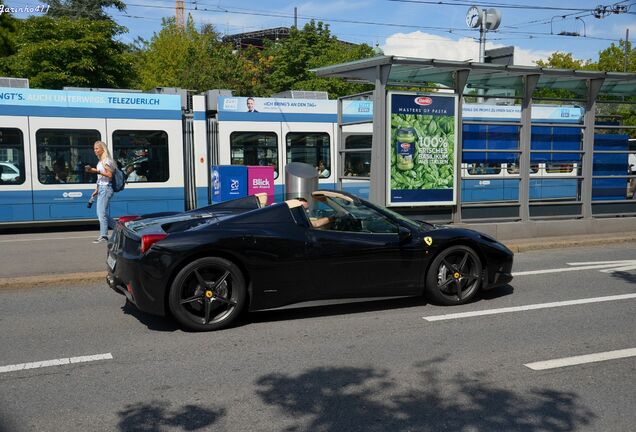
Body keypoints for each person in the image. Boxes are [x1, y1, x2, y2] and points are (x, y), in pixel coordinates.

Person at [85, 141, 115, 243]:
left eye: (97, 148)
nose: (95, 151)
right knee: (102, 213)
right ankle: (120, 230)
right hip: (102, 188)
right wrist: (96, 190)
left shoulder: (106, 161)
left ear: (103, 149)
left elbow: (109, 175)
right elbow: (100, 178)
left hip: (106, 188)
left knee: (101, 213)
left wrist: (95, 171)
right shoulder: (100, 162)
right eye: (94, 149)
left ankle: (104, 236)